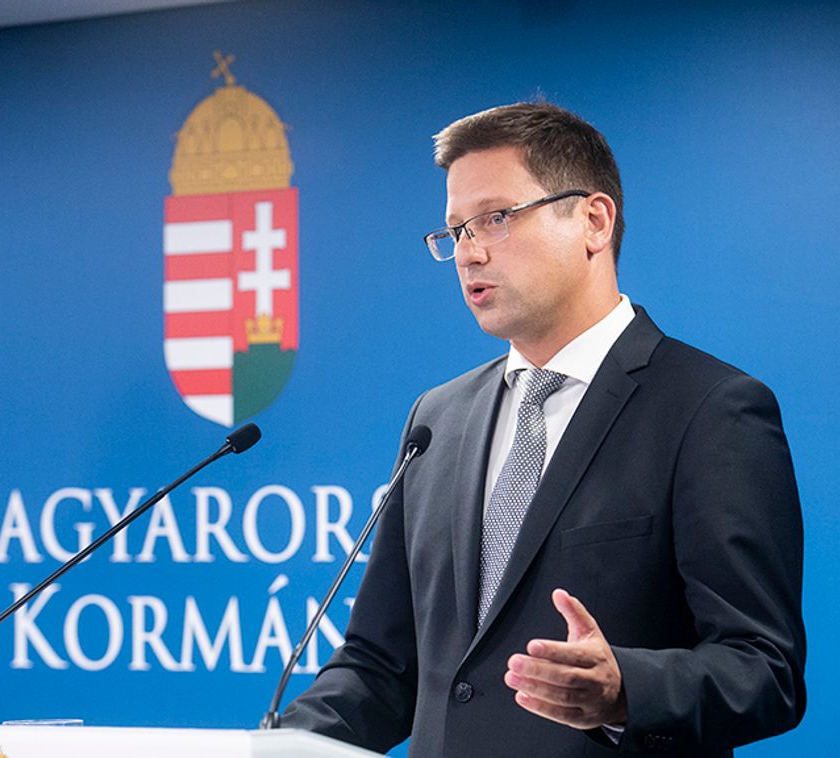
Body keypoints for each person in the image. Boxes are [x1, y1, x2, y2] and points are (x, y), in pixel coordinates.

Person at [283, 102, 806, 757]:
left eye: (495, 218)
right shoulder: (437, 418)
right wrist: (272, 746)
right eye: (455, 230)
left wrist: (625, 690)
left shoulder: (709, 409)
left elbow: (763, 669)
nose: (468, 252)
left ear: (593, 221)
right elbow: (381, 666)